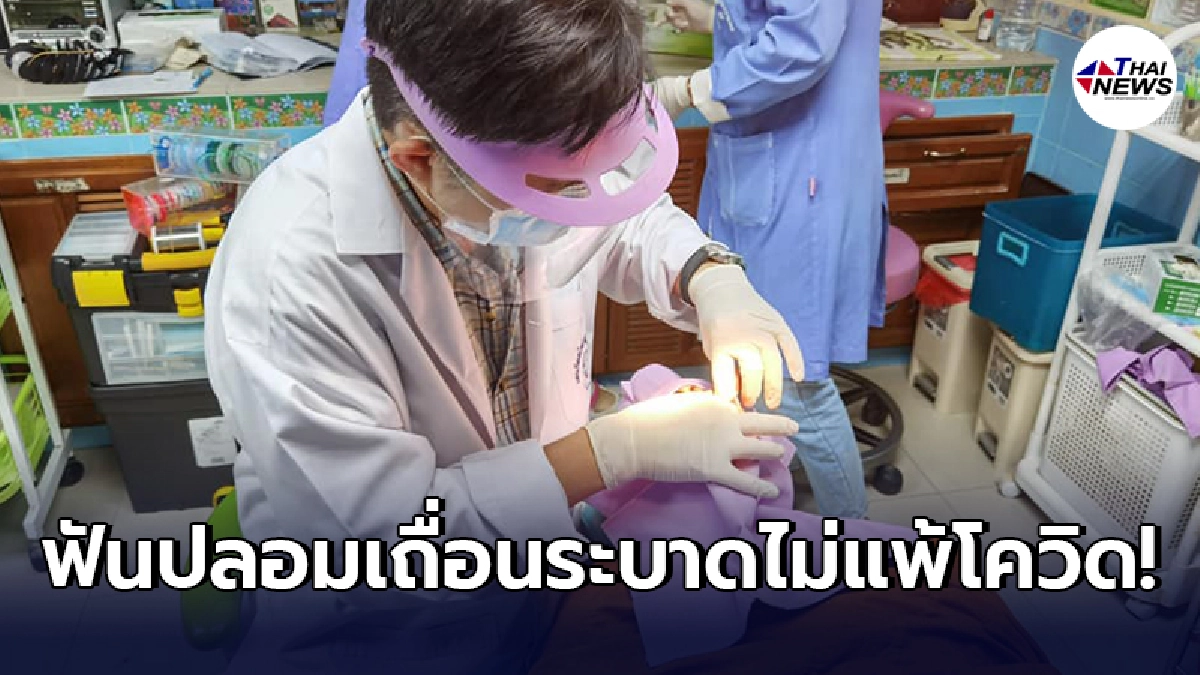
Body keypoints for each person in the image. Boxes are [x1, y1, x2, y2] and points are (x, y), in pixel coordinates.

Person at [204, 0, 807, 671]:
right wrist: (615, 450)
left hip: (541, 582)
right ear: (417, 159)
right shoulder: (290, 272)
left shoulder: (530, 136)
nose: (579, 205)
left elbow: (621, 212)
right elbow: (391, 544)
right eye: (553, 193)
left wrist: (709, 277)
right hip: (386, 630)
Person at [650, 0, 885, 520]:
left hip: (801, 177)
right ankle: (748, 503)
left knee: (791, 377)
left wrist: (688, 90)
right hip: (783, 163)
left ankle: (856, 535)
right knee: (759, 357)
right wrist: (721, 17)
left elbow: (802, 43)